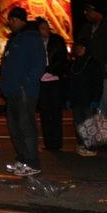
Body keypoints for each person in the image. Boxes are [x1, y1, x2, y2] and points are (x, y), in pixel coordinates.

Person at [1, 7, 47, 176]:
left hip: (24, 91)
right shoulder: (13, 39)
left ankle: (32, 162)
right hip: (12, 91)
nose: (10, 23)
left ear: (22, 20)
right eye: (10, 19)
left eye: (13, 19)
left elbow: (39, 64)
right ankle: (23, 159)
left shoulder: (31, 38)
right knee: (15, 128)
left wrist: (25, 83)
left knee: (26, 127)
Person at [78, 1, 107, 148]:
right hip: (91, 75)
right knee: (98, 108)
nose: (87, 15)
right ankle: (105, 137)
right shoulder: (86, 28)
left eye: (90, 11)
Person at [66, 39, 104, 156]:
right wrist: (68, 99)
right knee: (79, 123)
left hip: (88, 99)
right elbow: (69, 83)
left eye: (82, 47)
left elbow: (97, 82)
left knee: (89, 123)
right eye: (77, 48)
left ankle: (91, 147)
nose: (79, 50)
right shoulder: (74, 65)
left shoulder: (93, 64)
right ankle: (82, 144)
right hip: (77, 99)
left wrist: (96, 99)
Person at [36, 18, 67, 151]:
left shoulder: (57, 40)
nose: (46, 30)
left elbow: (62, 57)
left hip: (54, 79)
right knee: (44, 112)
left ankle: (57, 142)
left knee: (55, 112)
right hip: (41, 81)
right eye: (43, 28)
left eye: (47, 27)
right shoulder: (35, 41)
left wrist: (51, 68)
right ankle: (49, 142)